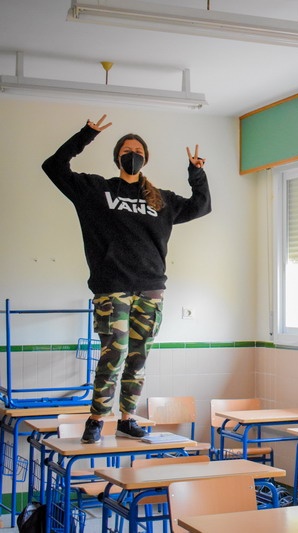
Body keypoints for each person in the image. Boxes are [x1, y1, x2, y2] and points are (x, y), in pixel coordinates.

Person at [41, 114, 211, 444]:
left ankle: (127, 418)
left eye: (138, 151)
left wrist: (196, 173)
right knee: (113, 354)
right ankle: (96, 418)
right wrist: (86, 134)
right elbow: (54, 166)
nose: (132, 154)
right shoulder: (96, 190)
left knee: (138, 356)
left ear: (145, 158)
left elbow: (201, 205)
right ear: (117, 157)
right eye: (126, 150)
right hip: (112, 287)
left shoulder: (160, 199)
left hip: (151, 289)